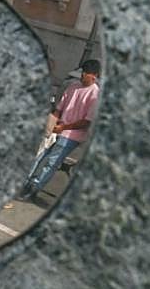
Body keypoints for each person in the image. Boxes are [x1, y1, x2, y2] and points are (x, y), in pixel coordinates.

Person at [20, 58, 101, 201]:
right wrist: (52, 124)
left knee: (51, 162)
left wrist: (63, 127)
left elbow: (86, 122)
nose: (82, 76)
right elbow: (58, 109)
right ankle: (25, 184)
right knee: (39, 156)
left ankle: (34, 189)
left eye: (86, 73)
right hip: (58, 128)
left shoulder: (95, 94)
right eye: (83, 72)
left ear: (94, 76)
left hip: (72, 135)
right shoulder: (72, 87)